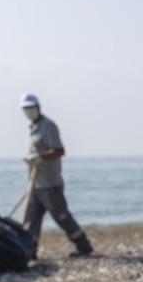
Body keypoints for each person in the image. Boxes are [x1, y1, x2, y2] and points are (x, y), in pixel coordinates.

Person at [19, 93, 94, 258]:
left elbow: (59, 150)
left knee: (62, 217)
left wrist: (40, 157)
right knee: (31, 220)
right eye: (26, 109)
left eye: (31, 108)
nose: (29, 111)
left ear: (38, 107)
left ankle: (83, 245)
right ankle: (29, 251)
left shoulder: (48, 126)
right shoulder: (32, 128)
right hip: (35, 184)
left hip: (50, 184)